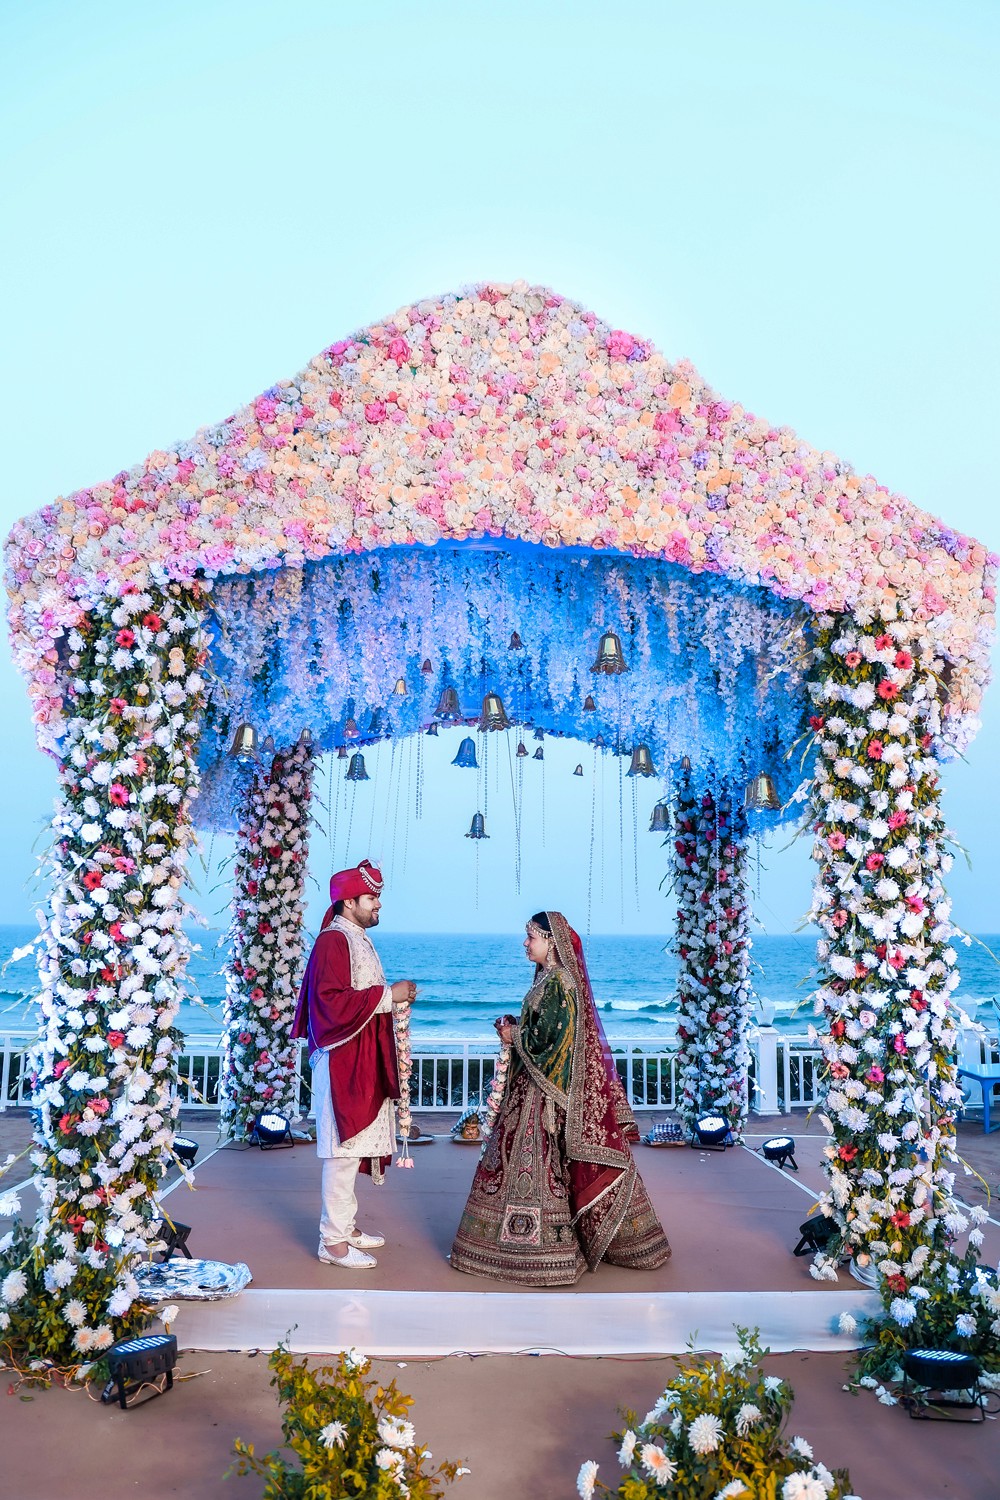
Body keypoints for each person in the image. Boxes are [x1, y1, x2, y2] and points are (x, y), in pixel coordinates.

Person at [450, 910, 671, 1285]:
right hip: (530, 1089)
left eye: (531, 937)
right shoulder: (547, 979)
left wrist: (513, 1036)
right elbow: (543, 1031)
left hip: (541, 1094)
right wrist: (517, 1028)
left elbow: (553, 1044)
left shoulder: (559, 982)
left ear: (551, 942)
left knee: (536, 1165)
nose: (525, 943)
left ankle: (538, 1251)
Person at [291, 859, 417, 1269]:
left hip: (359, 1054)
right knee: (342, 1152)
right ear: (349, 902)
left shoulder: (354, 936)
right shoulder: (334, 940)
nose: (378, 904)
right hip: (343, 1057)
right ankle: (332, 1242)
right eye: (370, 898)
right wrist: (389, 995)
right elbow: (328, 1003)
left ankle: (344, 1227)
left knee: (353, 1148)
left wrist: (392, 997)